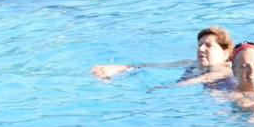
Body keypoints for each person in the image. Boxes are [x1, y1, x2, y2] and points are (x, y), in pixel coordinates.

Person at [92, 26, 235, 83]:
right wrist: (118, 68)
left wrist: (163, 90)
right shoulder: (191, 64)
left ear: (225, 53)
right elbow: (151, 66)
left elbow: (202, 79)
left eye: (208, 45)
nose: (201, 49)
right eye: (199, 45)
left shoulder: (225, 70)